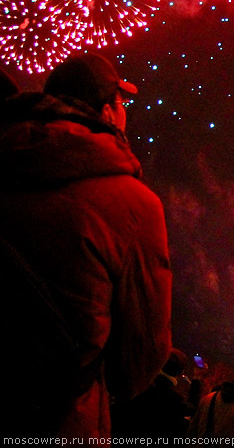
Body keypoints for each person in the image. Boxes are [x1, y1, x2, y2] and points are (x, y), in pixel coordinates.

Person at [0, 53, 172, 438]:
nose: (126, 111)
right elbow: (139, 359)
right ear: (108, 111)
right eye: (122, 102)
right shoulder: (134, 204)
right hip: (61, 419)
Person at [114, 348, 194, 436]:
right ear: (180, 372)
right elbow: (194, 411)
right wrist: (197, 382)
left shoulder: (138, 385)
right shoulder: (174, 399)